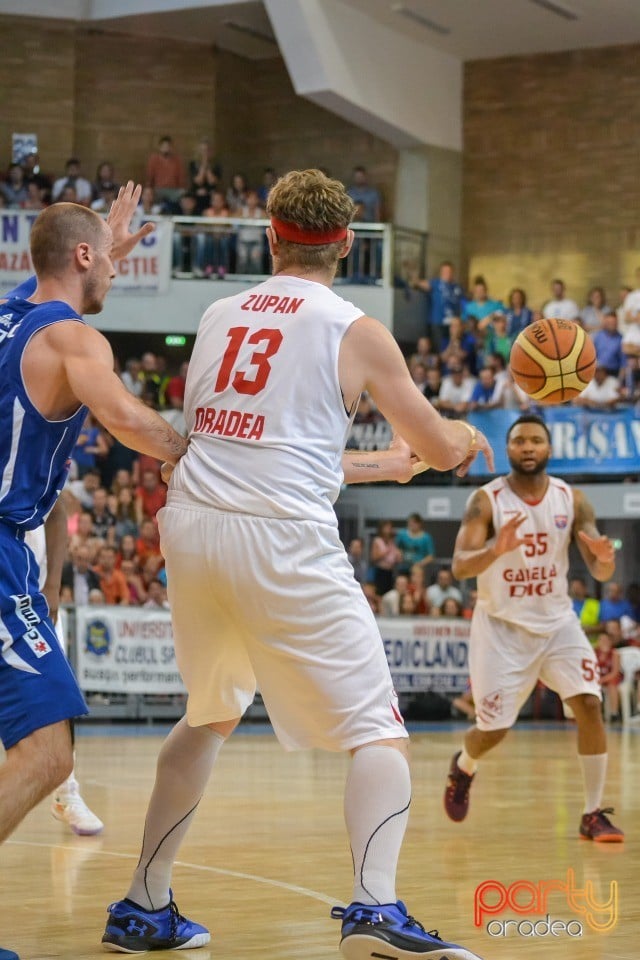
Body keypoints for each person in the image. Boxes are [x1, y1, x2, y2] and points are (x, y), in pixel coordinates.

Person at [102, 168, 493, 958]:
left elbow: (267, 448)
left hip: (194, 527)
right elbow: (442, 449)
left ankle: (143, 905)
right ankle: (375, 909)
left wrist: (386, 466)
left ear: (270, 237)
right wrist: (459, 436)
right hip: (279, 536)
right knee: (379, 731)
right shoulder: (356, 329)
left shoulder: (215, 314)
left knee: (209, 712)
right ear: (346, 243)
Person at [0, 184, 188, 865]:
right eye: (107, 260)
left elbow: (49, 283)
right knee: (48, 754)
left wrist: (103, 242)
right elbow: (128, 419)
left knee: (44, 750)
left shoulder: (10, 313)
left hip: (14, 547)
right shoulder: (73, 338)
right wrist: (189, 459)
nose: (116, 269)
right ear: (82, 256)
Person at [444, 414, 624, 842]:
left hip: (558, 623)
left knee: (589, 705)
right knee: (493, 730)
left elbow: (600, 568)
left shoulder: (572, 499)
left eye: (536, 440)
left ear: (548, 449)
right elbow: (459, 565)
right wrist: (495, 548)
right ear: (509, 450)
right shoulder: (486, 502)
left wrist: (604, 559)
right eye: (520, 440)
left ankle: (592, 813)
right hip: (502, 628)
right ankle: (464, 766)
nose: (528, 447)